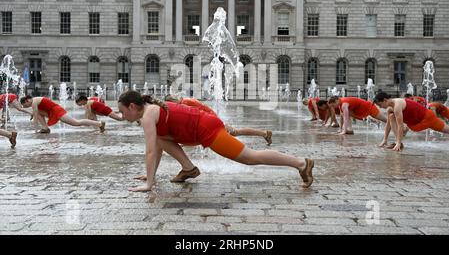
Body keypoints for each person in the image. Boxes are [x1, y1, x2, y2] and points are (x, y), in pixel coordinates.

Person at [118, 91, 315, 192]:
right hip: (203, 128)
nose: (122, 115)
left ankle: (301, 163)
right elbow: (158, 147)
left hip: (207, 129)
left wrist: (149, 185)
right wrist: (149, 175)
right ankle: (188, 168)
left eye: (123, 111)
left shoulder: (147, 116)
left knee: (250, 158)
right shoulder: (150, 111)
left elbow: (150, 151)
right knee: (161, 139)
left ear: (133, 106)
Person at [164, 95, 272, 145]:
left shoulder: (184, 103)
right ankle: (264, 133)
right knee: (235, 132)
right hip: (212, 119)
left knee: (235, 132)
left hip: (212, 121)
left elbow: (195, 115)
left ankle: (264, 133)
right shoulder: (186, 100)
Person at [374, 92, 449, 151]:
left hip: (427, 118)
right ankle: (398, 142)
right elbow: (388, 124)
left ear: (385, 100)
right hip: (416, 123)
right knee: (391, 116)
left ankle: (399, 143)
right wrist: (385, 139)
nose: (380, 107)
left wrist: (399, 143)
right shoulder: (390, 108)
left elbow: (400, 125)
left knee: (447, 130)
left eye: (380, 105)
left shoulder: (397, 106)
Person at [20, 95, 106, 134]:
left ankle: (99, 124)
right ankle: (45, 128)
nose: (26, 107)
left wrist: (35, 130)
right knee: (37, 112)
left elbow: (35, 116)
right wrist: (33, 114)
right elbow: (36, 113)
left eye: (25, 105)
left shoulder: (34, 101)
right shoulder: (34, 102)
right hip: (52, 112)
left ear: (27, 100)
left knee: (76, 123)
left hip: (57, 111)